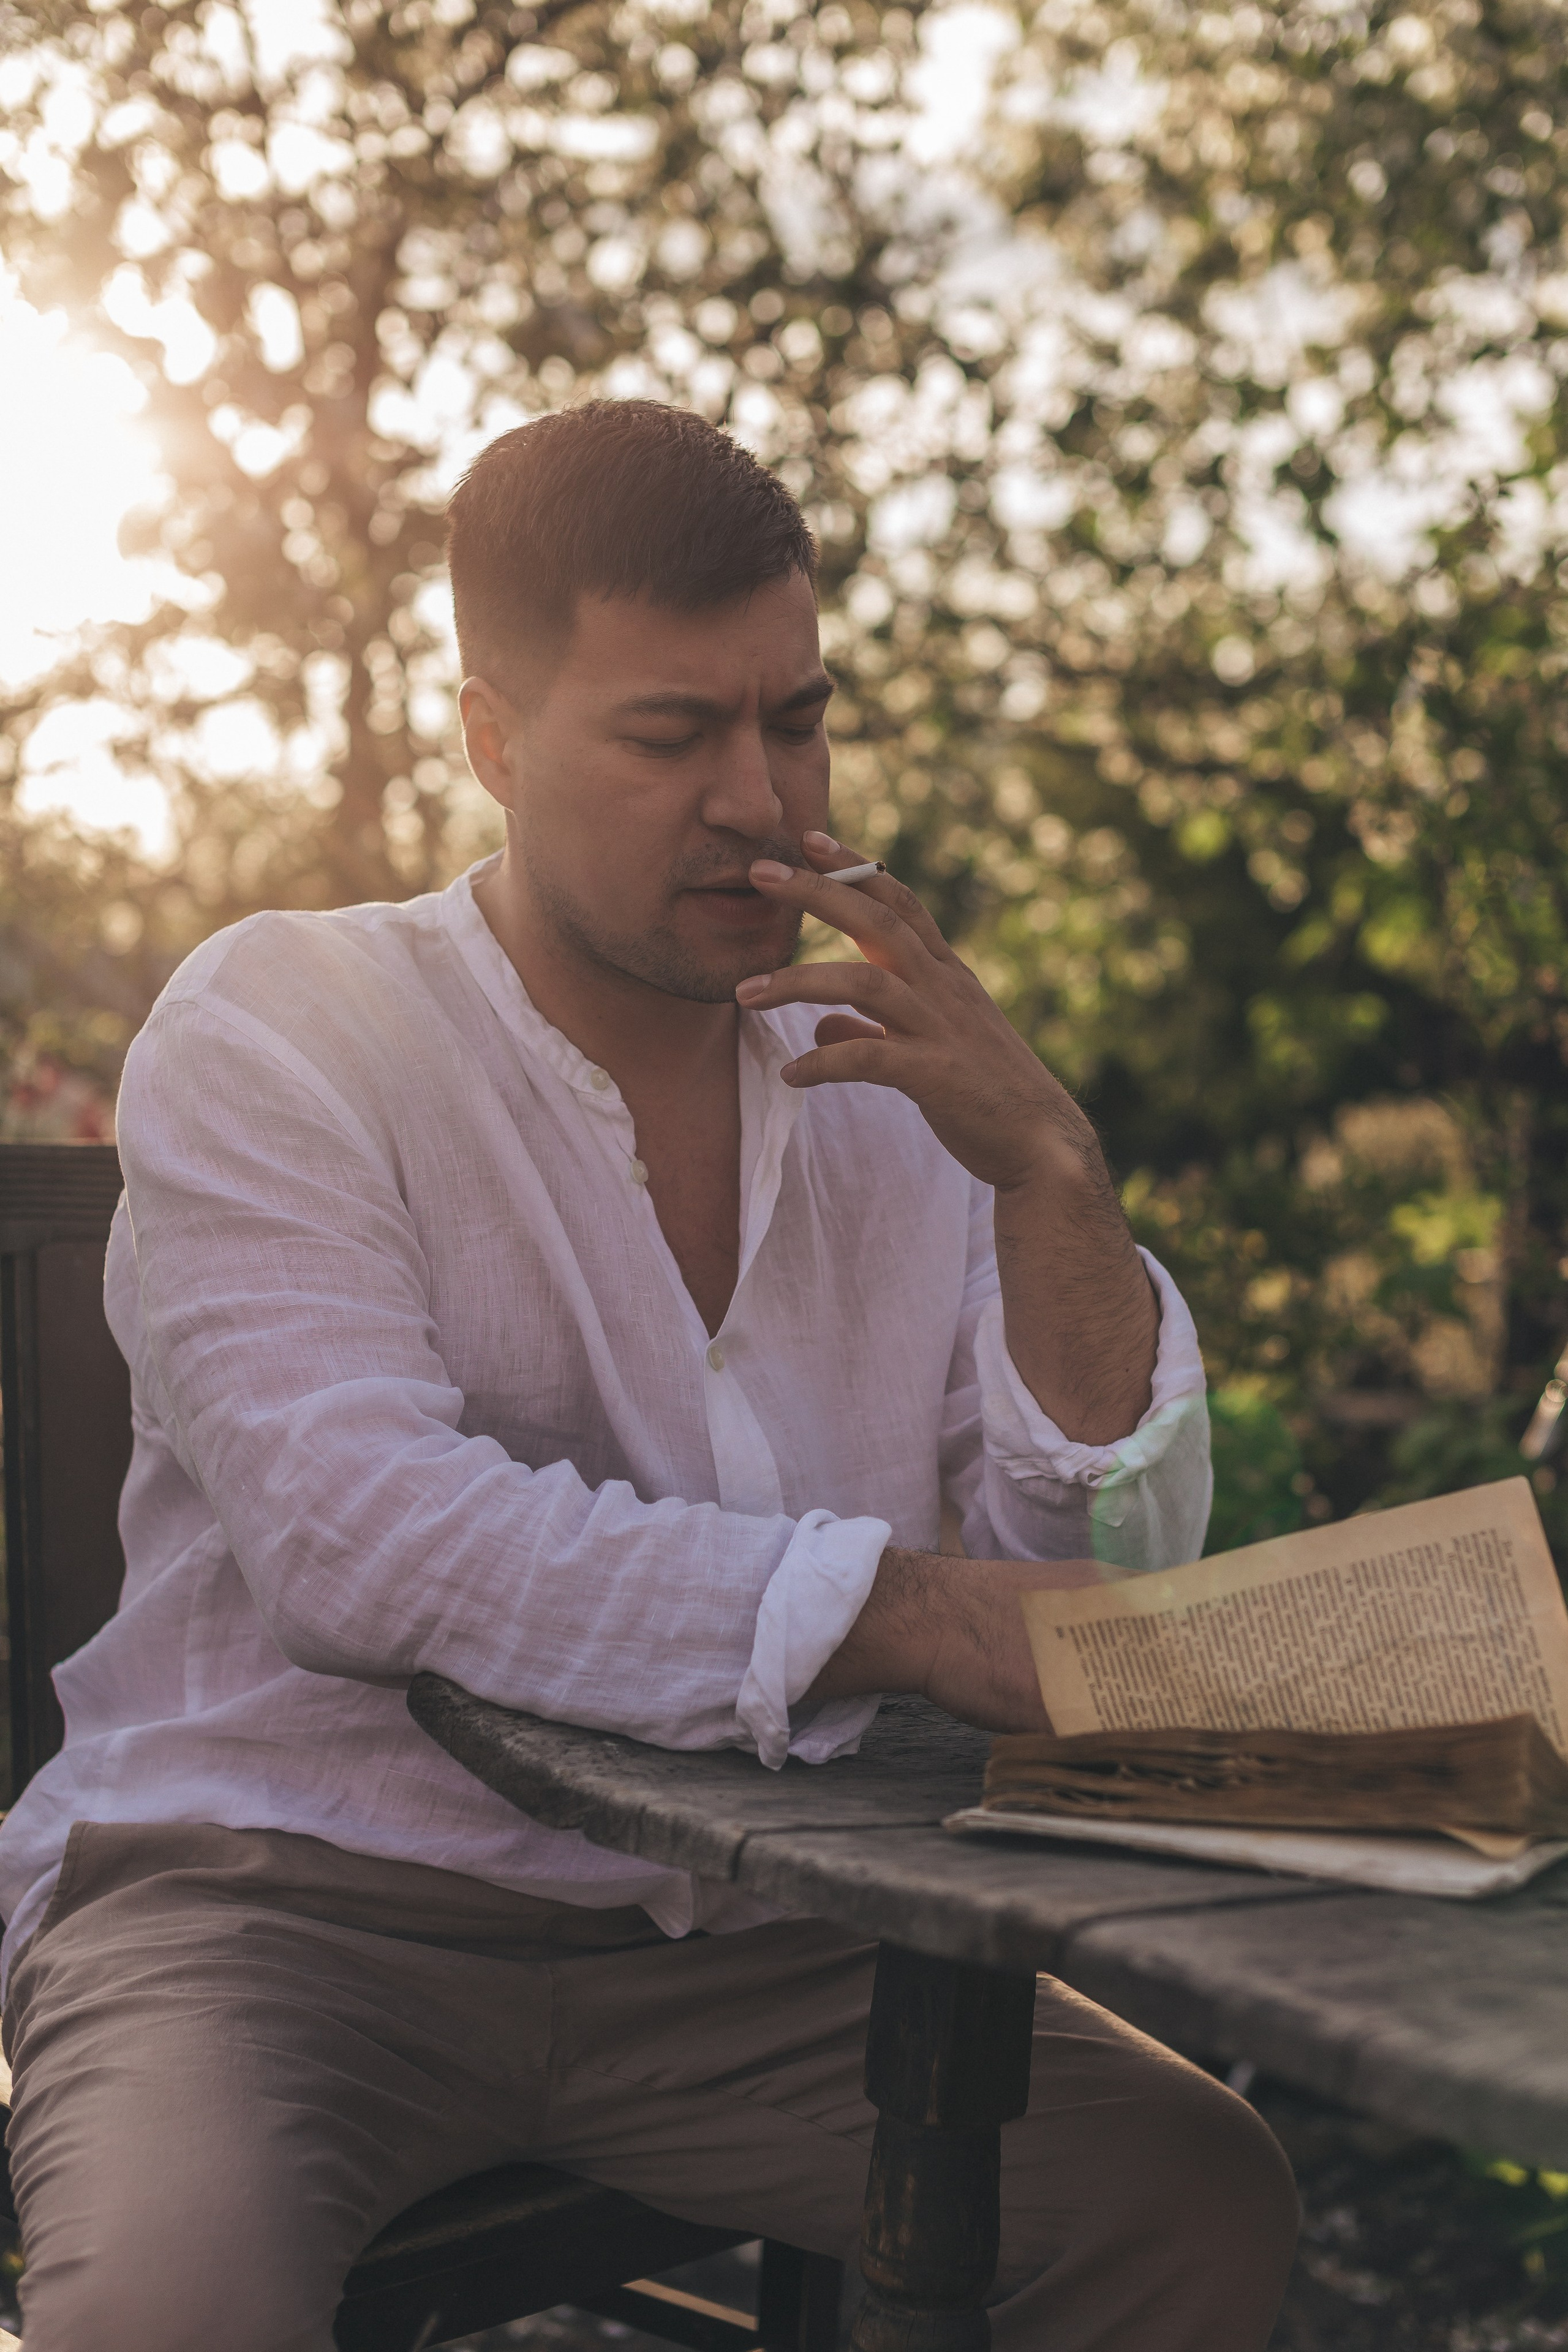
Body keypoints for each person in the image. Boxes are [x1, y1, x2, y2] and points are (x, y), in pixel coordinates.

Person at [0, 402, 1296, 2351]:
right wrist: (917, 1616)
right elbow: (364, 1542)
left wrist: (1052, 1170)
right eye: (674, 734)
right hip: (283, 1908)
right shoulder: (285, 1026)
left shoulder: (899, 1091)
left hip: (762, 1942)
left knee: (1193, 2204)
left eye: (799, 721)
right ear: (494, 740)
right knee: (165, 2319)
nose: (764, 803)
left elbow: (1099, 1580)